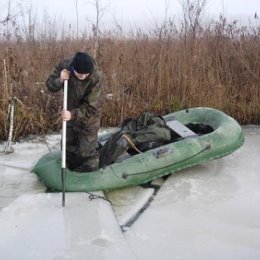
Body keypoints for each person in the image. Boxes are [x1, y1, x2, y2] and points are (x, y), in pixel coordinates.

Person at [46, 52, 103, 172]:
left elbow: (91, 108)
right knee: (67, 148)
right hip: (69, 113)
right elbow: (50, 86)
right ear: (73, 68)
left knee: (86, 154)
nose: (82, 76)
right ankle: (69, 169)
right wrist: (60, 79)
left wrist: (72, 115)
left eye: (85, 74)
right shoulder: (65, 65)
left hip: (89, 117)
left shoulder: (95, 77)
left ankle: (90, 167)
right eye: (79, 74)